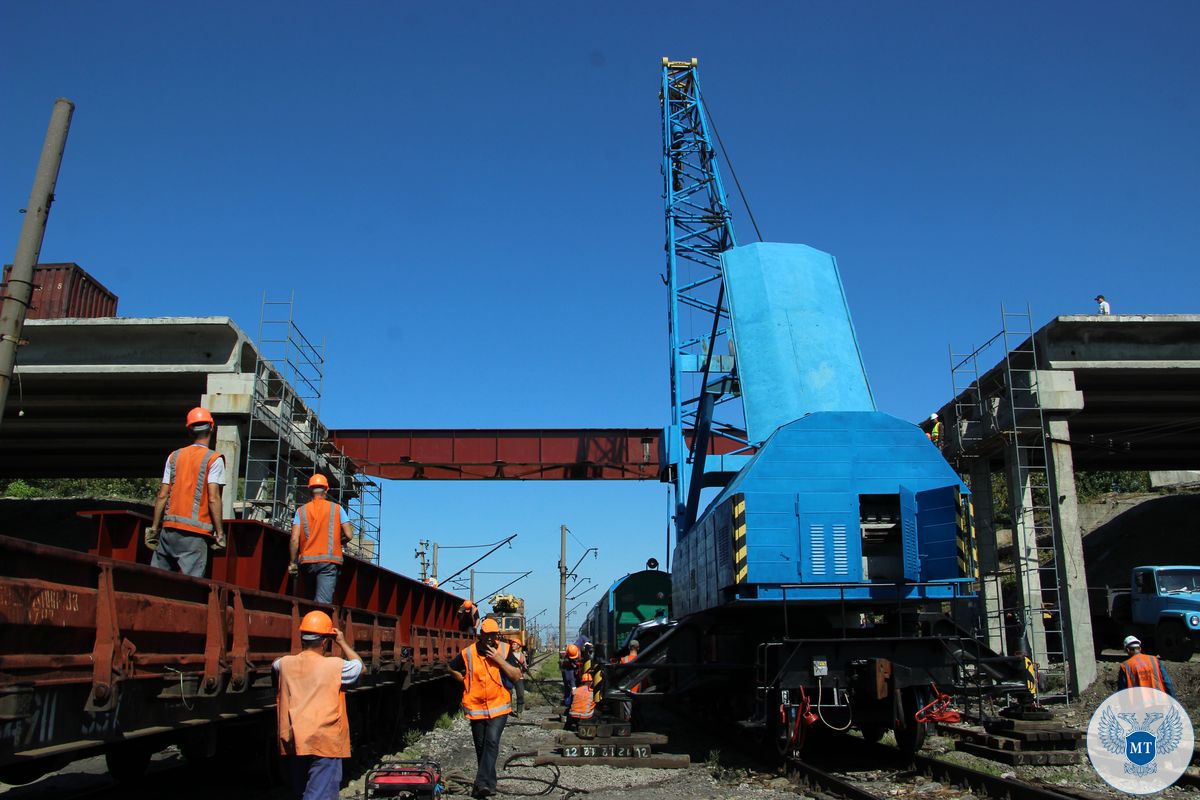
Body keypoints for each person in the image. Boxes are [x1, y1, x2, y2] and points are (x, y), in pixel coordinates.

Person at [274, 610, 363, 800]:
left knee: (302, 790)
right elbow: (359, 667)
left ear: (302, 638)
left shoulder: (284, 664)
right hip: (324, 740)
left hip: (296, 739)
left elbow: (276, 665)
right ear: (325, 642)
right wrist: (342, 642)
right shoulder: (335, 666)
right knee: (321, 794)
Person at [447, 618, 523, 798]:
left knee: (491, 741)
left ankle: (480, 783)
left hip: (499, 706)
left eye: (493, 635)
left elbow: (516, 675)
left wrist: (498, 660)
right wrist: (463, 680)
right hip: (476, 707)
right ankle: (490, 784)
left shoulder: (504, 650)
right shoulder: (467, 653)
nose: (490, 639)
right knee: (481, 747)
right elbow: (451, 668)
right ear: (480, 635)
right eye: (487, 635)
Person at [146, 407, 226, 577]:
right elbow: (213, 498)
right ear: (212, 427)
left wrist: (154, 528)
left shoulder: (174, 456)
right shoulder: (214, 459)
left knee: (155, 581)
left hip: (168, 531)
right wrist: (220, 534)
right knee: (192, 588)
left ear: (189, 430)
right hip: (195, 536)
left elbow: (162, 495)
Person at [288, 474, 354, 604]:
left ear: (309, 490)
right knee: (323, 604)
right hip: (328, 562)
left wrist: (293, 563)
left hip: (307, 562)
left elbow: (294, 539)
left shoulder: (300, 511)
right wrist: (337, 542)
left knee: (308, 601)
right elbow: (349, 535)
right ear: (327, 489)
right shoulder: (337, 509)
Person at [618, 639, 640, 722]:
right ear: (638, 648)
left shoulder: (624, 660)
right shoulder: (642, 660)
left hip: (627, 689)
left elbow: (619, 676)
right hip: (639, 689)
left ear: (628, 647)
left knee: (627, 714)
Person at [560, 643, 581, 710]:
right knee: (569, 688)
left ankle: (573, 702)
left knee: (574, 687)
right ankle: (568, 705)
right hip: (568, 672)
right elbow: (569, 678)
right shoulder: (566, 661)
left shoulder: (577, 651)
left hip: (574, 671)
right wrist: (573, 686)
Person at [511, 642, 528, 716]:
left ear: (518, 646)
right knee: (508, 694)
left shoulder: (522, 655)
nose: (512, 645)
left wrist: (525, 668)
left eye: (514, 644)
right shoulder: (509, 655)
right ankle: (508, 710)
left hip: (519, 677)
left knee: (520, 694)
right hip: (510, 676)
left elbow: (525, 665)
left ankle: (519, 712)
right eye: (512, 644)